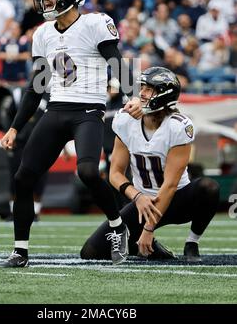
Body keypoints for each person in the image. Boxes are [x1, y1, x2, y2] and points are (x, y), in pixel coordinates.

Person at [0, 0, 144, 268]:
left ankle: (118, 226)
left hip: (89, 110)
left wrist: (133, 97)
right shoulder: (43, 34)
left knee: (89, 173)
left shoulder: (94, 24)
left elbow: (117, 63)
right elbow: (36, 86)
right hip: (57, 108)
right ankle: (20, 251)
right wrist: (14, 127)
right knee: (23, 177)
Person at [80, 66, 220, 263]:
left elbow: (170, 185)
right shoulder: (125, 121)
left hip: (176, 200)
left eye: (148, 89)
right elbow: (115, 173)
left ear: (164, 94)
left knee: (209, 188)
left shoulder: (178, 126)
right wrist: (137, 197)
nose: (142, 94)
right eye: (142, 88)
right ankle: (152, 248)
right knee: (91, 253)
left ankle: (192, 242)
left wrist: (148, 228)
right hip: (142, 203)